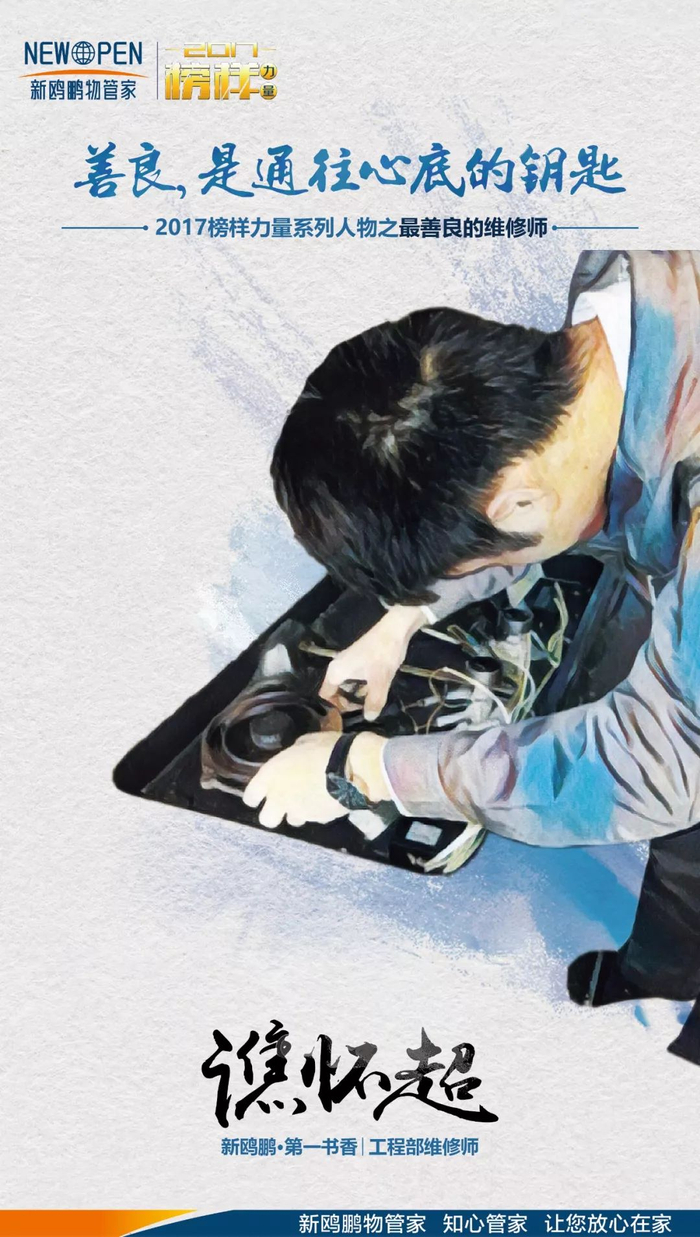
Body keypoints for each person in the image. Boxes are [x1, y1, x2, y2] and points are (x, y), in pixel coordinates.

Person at [242, 251, 700, 1062]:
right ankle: (667, 966)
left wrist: (365, 769)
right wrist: (401, 622)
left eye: (479, 558)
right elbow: (555, 491)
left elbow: (652, 765)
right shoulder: (620, 286)